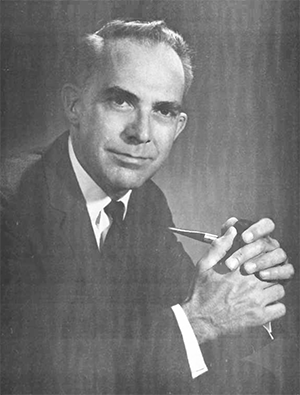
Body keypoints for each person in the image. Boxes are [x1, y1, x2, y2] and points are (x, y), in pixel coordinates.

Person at [0, 20, 294, 395]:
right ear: (74, 106)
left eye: (164, 111)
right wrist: (199, 320)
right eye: (121, 101)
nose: (141, 132)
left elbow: (201, 325)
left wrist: (250, 276)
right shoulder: (11, 201)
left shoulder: (145, 201)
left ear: (179, 126)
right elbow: (42, 373)